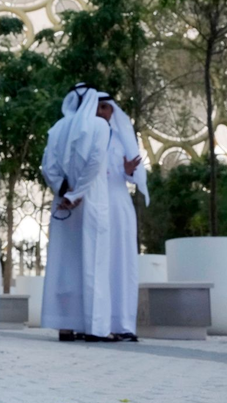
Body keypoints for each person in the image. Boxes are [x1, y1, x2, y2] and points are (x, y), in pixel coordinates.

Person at [40, 83, 113, 342]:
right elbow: (95, 161)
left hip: (64, 203)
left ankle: (66, 326)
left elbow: (47, 166)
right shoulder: (100, 125)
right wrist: (77, 193)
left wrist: (65, 191)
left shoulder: (57, 128)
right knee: (94, 262)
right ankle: (94, 328)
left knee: (65, 263)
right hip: (90, 200)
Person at [101, 96, 148, 342]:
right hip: (95, 203)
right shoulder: (88, 137)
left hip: (119, 205)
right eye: (97, 107)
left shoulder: (121, 139)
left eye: (106, 107)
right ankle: (99, 324)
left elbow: (133, 175)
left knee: (123, 263)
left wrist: (129, 171)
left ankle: (123, 324)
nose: (101, 112)